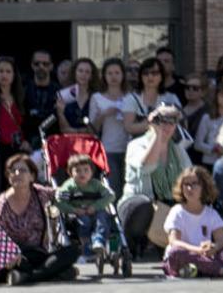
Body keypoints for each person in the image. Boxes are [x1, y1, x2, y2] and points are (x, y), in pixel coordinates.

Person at [0, 154, 80, 284]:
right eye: (13, 171)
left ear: (32, 176)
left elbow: (63, 193)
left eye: (22, 170)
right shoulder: (2, 204)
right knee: (21, 265)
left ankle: (28, 276)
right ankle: (53, 273)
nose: (17, 173)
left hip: (39, 253)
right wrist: (8, 254)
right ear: (8, 176)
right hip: (14, 257)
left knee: (73, 250)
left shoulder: (40, 193)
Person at [118, 105, 191, 254]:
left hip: (167, 205)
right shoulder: (136, 145)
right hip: (139, 204)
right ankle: (134, 244)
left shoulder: (178, 149)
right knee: (144, 206)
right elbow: (146, 167)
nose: (167, 126)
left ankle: (161, 244)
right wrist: (158, 136)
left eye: (172, 122)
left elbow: (189, 175)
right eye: (162, 121)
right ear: (153, 122)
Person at [162, 166, 223, 278]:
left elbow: (222, 240)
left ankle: (202, 269)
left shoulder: (210, 213)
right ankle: (220, 270)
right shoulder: (177, 211)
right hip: (186, 255)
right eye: (186, 184)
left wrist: (213, 247)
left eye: (194, 184)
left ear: (203, 187)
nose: (190, 188)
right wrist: (197, 250)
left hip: (207, 256)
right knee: (175, 253)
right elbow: (174, 241)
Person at [54, 154, 114, 258]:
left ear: (92, 172)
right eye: (78, 171)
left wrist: (95, 206)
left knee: (102, 218)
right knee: (84, 221)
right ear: (70, 173)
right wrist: (74, 210)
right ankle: (85, 244)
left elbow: (110, 195)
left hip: (95, 211)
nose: (82, 173)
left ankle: (98, 241)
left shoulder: (96, 184)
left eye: (86, 170)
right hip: (77, 214)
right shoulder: (69, 186)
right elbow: (59, 202)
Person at [89, 57, 132, 198]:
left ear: (123, 75)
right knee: (113, 190)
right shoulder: (97, 98)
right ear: (104, 76)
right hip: (108, 150)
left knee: (129, 190)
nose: (114, 77)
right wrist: (103, 115)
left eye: (117, 73)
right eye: (110, 73)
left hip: (130, 149)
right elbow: (91, 129)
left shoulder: (131, 97)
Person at [0, 56, 28, 186]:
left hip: (19, 148)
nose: (4, 75)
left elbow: (27, 123)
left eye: (8, 71)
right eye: (0, 71)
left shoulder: (22, 96)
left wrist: (26, 141)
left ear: (14, 75)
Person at [123, 58, 182, 137]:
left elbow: (179, 122)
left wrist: (145, 124)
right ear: (141, 76)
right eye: (145, 73)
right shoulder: (131, 99)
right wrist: (156, 123)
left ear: (161, 76)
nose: (150, 76)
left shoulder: (171, 98)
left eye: (154, 73)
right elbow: (129, 128)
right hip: (140, 147)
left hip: (166, 146)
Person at [194, 82, 223, 170]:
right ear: (216, 97)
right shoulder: (207, 118)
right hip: (209, 163)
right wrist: (213, 149)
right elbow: (197, 144)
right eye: (222, 95)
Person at [24, 50, 60, 142]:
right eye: (37, 64)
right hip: (28, 143)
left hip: (53, 141)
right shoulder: (24, 90)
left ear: (51, 66)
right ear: (32, 66)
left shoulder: (60, 92)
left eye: (45, 64)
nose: (41, 67)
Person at [55, 58, 98, 134]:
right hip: (70, 142)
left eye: (87, 72)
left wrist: (77, 131)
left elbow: (95, 127)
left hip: (91, 143)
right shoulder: (64, 95)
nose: (83, 74)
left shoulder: (96, 97)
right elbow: (63, 128)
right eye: (80, 71)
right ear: (74, 73)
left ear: (91, 76)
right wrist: (60, 113)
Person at [183, 72, 210, 165]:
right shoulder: (179, 109)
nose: (190, 90)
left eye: (195, 88)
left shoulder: (209, 111)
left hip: (202, 159)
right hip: (184, 157)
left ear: (203, 92)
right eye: (187, 87)